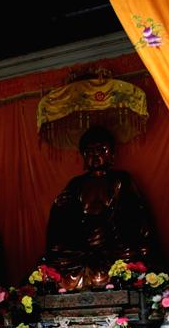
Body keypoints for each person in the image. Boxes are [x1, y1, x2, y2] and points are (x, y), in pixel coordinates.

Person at [43, 125, 161, 291]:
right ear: (83, 155)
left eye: (101, 150)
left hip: (113, 243)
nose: (95, 155)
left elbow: (136, 216)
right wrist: (59, 207)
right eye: (89, 151)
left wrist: (108, 230)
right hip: (82, 245)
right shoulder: (76, 184)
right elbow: (65, 221)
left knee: (134, 257)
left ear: (111, 154)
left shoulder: (121, 180)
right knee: (58, 259)